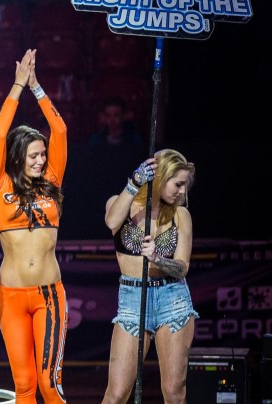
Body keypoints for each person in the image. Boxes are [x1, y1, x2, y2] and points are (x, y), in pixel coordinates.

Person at [0, 49, 68, 403]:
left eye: (43, 154)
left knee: (50, 385)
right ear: (18, 157)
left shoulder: (52, 180)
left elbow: (59, 129)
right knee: (24, 386)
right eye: (33, 155)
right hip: (11, 297)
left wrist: (37, 88)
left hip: (49, 295)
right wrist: (17, 86)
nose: (40, 160)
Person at [101, 150, 196, 404]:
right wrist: (135, 182)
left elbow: (182, 267)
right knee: (116, 394)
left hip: (172, 298)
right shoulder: (120, 203)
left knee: (174, 392)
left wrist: (158, 259)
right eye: (178, 184)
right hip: (133, 299)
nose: (182, 192)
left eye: (185, 185)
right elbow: (111, 222)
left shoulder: (180, 215)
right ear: (161, 178)